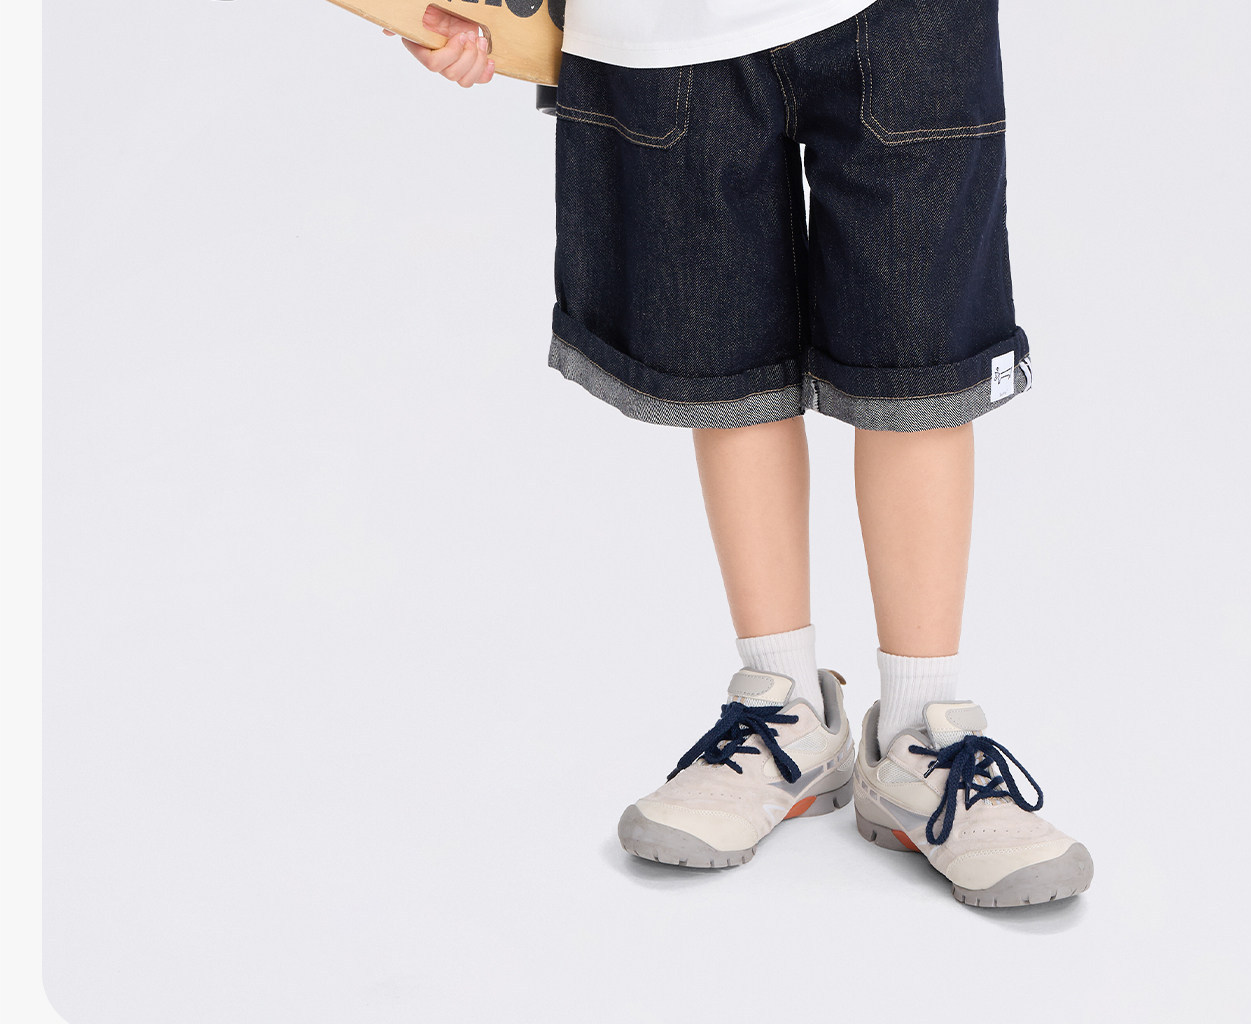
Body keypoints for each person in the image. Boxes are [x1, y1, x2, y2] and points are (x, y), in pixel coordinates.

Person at [387, 0, 1092, 908]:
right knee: (724, 354)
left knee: (918, 365)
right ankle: (782, 707)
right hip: (664, 22)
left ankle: (923, 733)